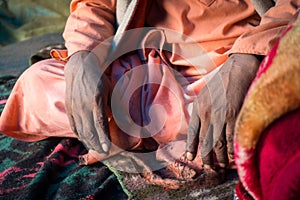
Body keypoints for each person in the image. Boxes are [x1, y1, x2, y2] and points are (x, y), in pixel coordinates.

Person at [0, 0, 299, 174]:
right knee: (38, 83)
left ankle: (130, 129)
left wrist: (247, 59)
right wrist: (81, 56)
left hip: (219, 66)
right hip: (135, 62)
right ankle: (164, 131)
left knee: (265, 119)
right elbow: (94, 5)